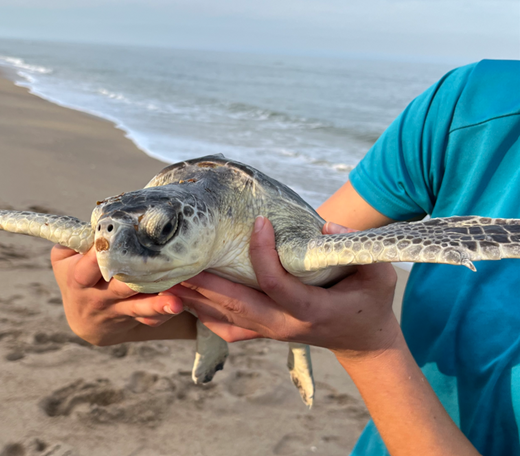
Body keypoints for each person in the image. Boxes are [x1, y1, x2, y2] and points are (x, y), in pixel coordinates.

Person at [51, 59, 520, 456]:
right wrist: (112, 322)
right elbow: (284, 289)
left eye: (162, 230)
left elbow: (339, 314)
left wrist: (370, 349)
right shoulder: (471, 107)